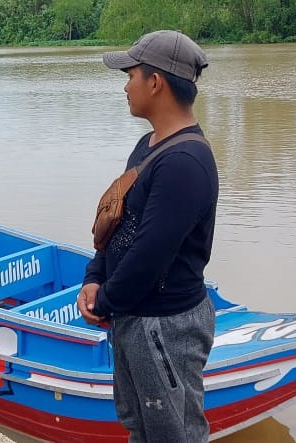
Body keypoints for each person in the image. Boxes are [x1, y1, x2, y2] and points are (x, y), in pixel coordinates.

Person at [78, 30, 220, 442]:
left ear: (155, 82)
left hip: (165, 325)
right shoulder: (149, 146)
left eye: (130, 74)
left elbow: (150, 255)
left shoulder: (185, 161)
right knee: (140, 427)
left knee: (173, 433)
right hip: (133, 316)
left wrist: (104, 301)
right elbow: (119, 225)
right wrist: (94, 277)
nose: (125, 86)